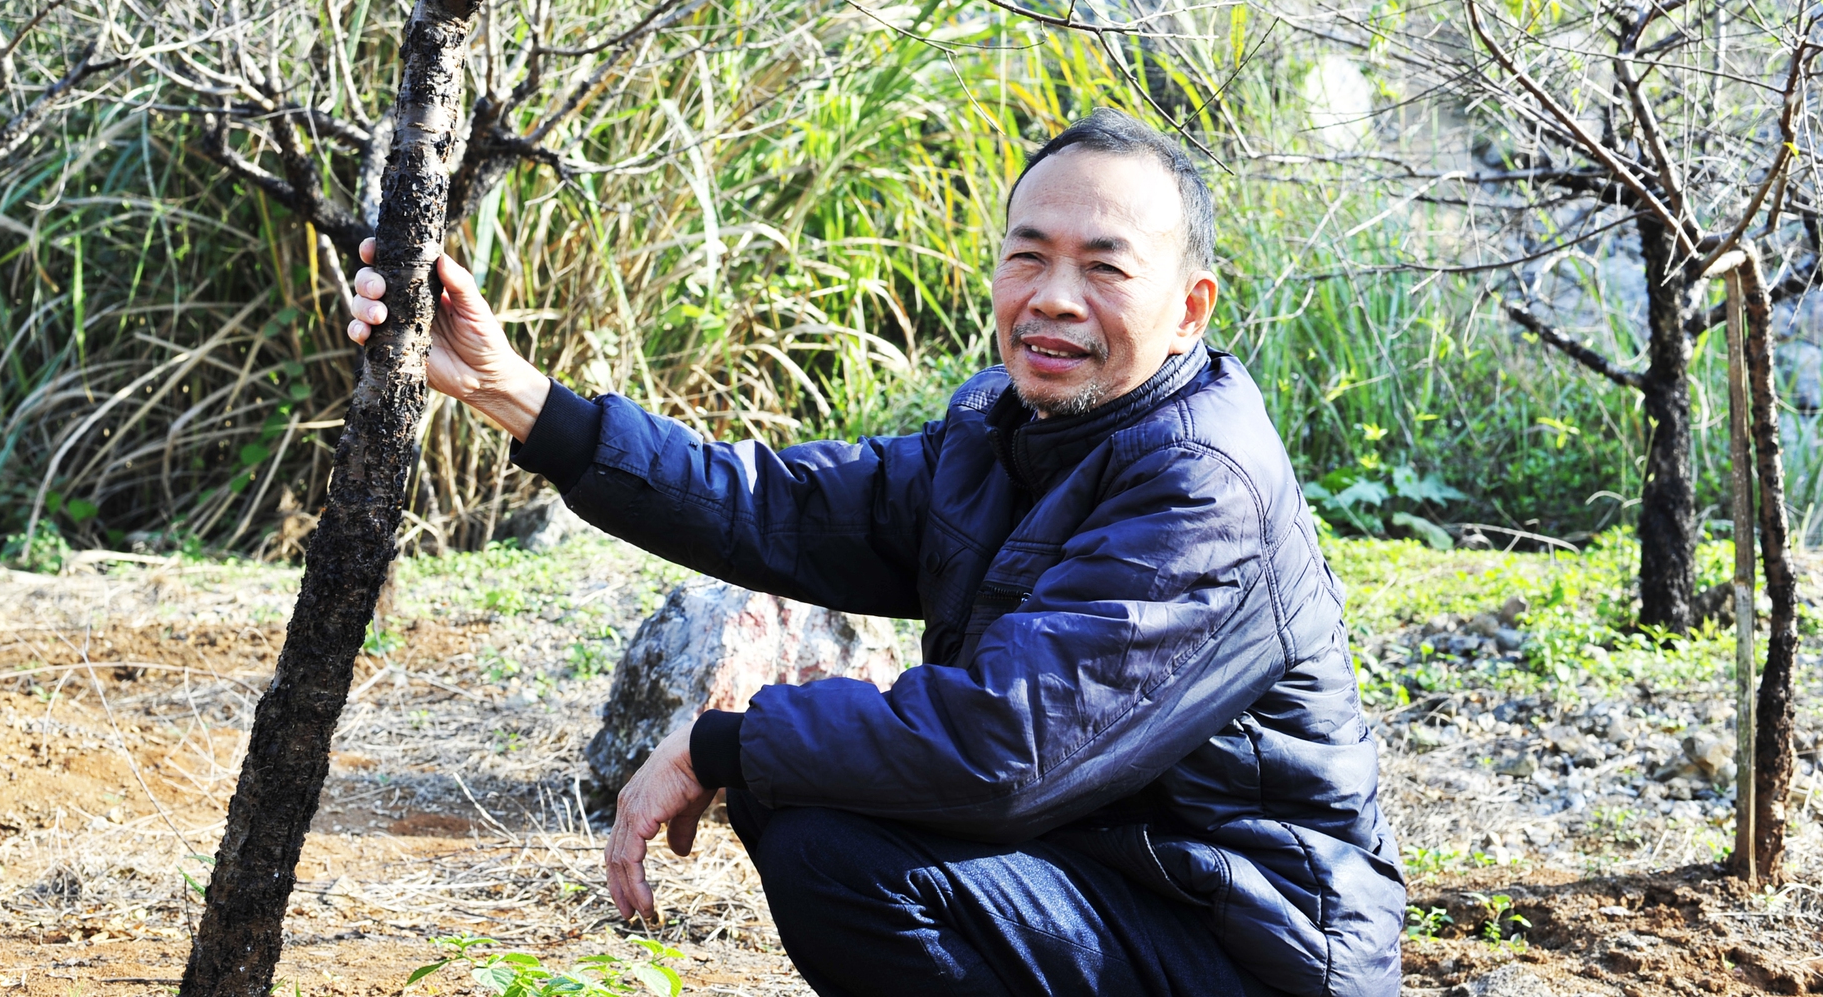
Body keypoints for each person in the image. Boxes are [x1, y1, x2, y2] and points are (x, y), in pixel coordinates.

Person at [346, 109, 1404, 997]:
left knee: (828, 839)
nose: (1052, 298)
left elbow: (1002, 748)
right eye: (1027, 255)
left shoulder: (1197, 482)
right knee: (814, 794)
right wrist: (512, 393)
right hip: (1110, 874)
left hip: (1251, 942)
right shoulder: (1004, 431)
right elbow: (774, 508)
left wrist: (720, 743)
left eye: (1103, 268)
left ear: (1187, 310)